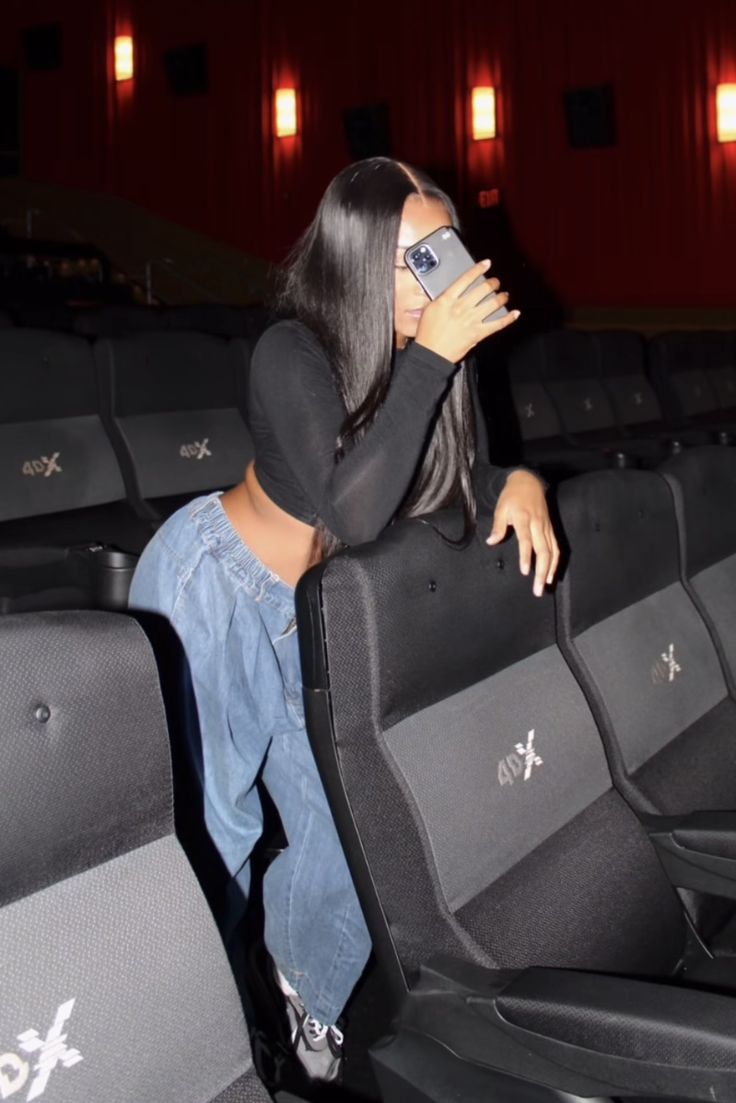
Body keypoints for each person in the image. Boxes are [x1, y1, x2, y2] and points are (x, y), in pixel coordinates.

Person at [128, 157, 559, 1082]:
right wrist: (435, 356)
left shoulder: (434, 360)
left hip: (323, 616)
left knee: (353, 832)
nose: (430, 279)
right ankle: (181, 1046)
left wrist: (517, 480)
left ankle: (301, 994)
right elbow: (352, 512)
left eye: (441, 252)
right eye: (408, 259)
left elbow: (451, 486)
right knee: (215, 833)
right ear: (355, 261)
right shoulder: (292, 348)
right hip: (219, 590)